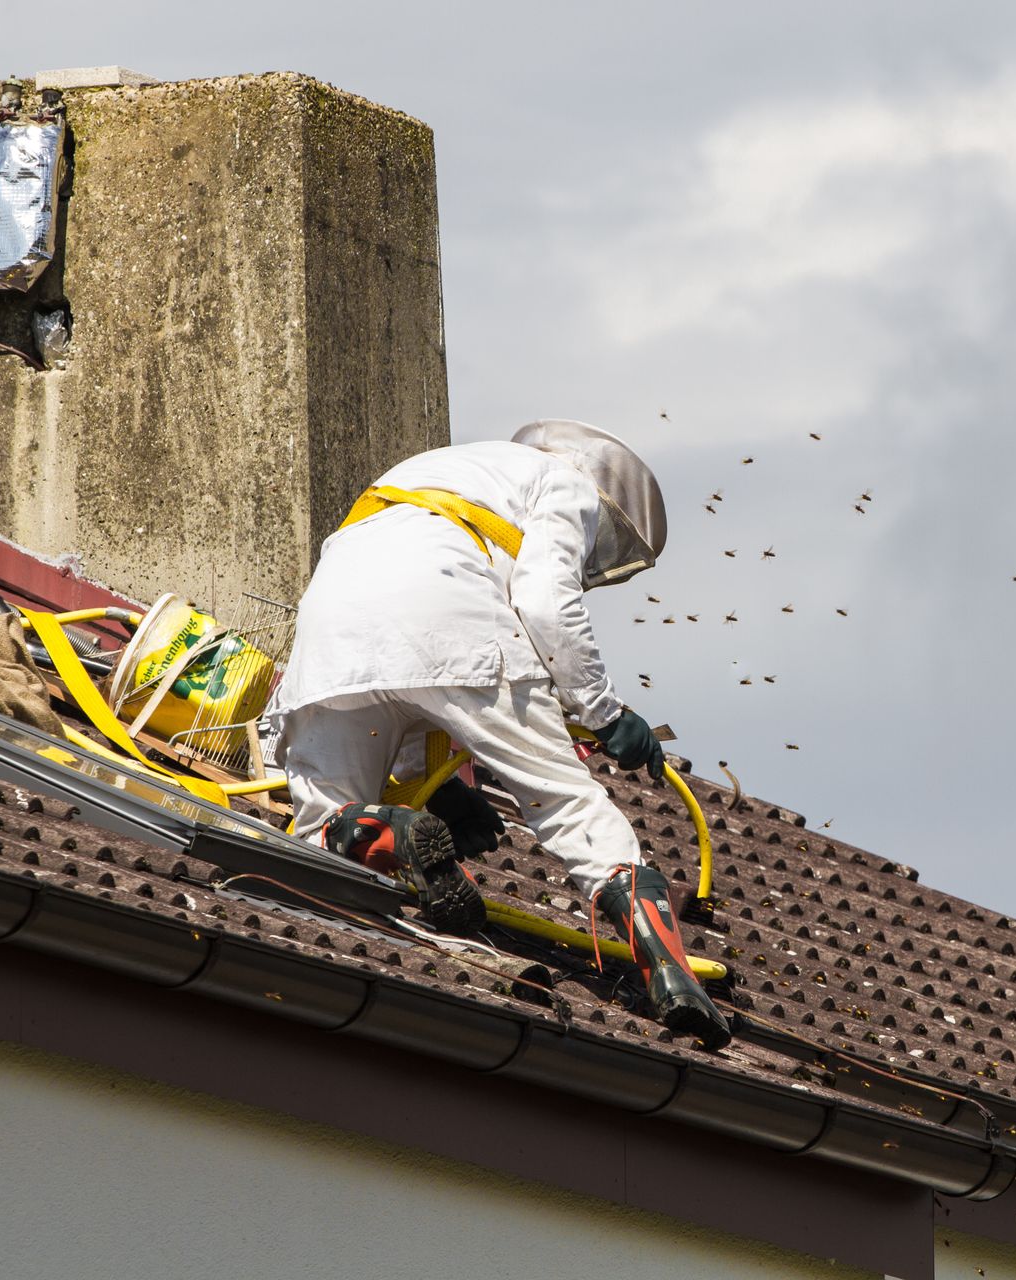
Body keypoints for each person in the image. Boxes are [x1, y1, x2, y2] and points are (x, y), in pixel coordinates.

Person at [270, 420, 733, 1049]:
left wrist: (437, 796)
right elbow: (543, 599)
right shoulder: (565, 482)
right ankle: (673, 977)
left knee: (319, 822)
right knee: (570, 806)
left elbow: (403, 681)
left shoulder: (440, 468)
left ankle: (391, 830)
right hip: (453, 613)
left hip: (332, 631)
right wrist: (606, 713)